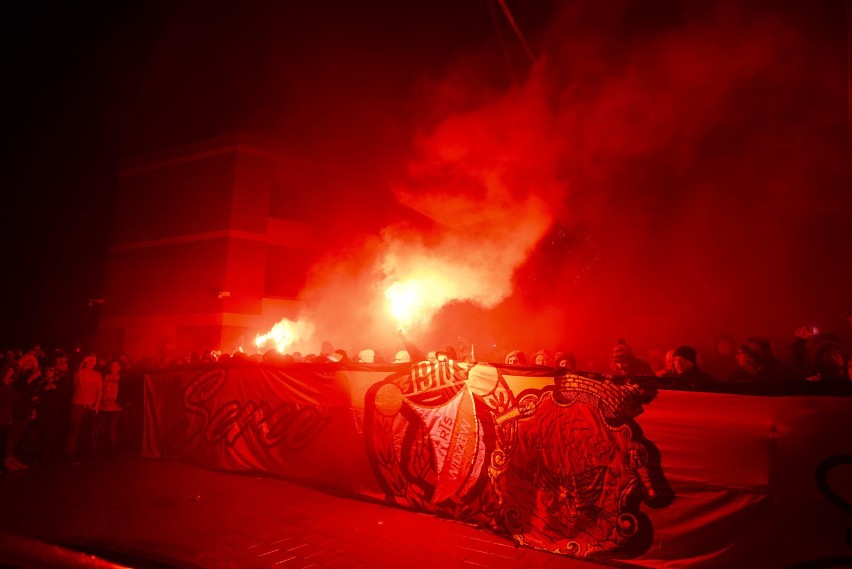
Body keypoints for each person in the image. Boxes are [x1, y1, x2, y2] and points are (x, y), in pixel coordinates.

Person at [65, 353, 102, 462]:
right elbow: (75, 378)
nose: (91, 363)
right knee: (74, 430)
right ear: (84, 361)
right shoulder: (79, 371)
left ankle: (85, 453)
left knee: (88, 430)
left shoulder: (97, 374)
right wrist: (82, 362)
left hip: (91, 406)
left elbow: (99, 391)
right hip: (77, 404)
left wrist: (97, 405)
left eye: (94, 361)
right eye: (89, 360)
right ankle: (69, 453)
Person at [98, 360, 124, 456]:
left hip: (116, 407)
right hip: (104, 406)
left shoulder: (122, 378)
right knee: (104, 428)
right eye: (112, 366)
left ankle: (114, 450)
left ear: (120, 367)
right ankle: (104, 448)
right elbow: (101, 389)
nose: (114, 368)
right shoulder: (105, 376)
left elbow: (124, 390)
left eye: (116, 366)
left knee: (113, 429)